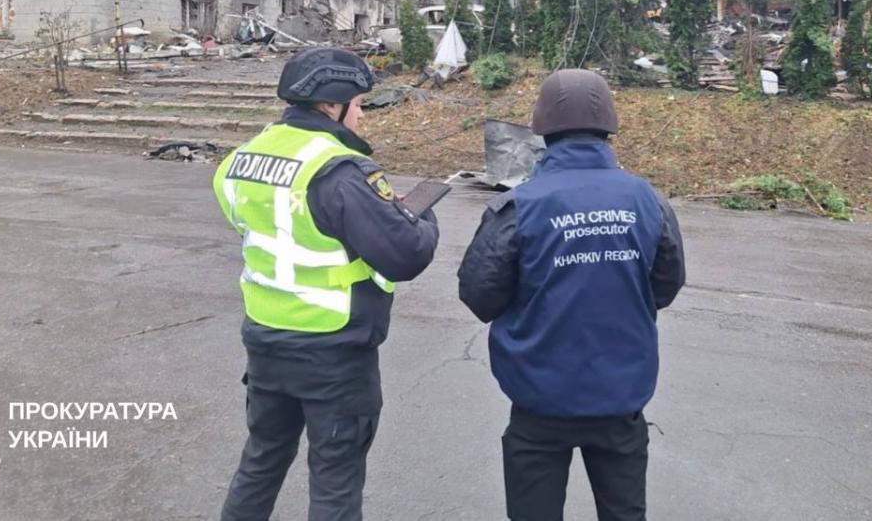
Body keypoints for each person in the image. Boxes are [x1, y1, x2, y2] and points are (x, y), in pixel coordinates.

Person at [214, 47, 439, 521]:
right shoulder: (338, 169)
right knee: (335, 480)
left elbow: (257, 225)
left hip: (265, 342)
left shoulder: (241, 159)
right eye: (357, 104)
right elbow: (406, 254)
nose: (361, 115)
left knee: (261, 461)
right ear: (330, 105)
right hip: (333, 352)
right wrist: (416, 213)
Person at [457, 68, 686, 521]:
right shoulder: (647, 200)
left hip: (538, 401)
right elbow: (666, 284)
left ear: (542, 128)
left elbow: (480, 294)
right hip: (620, 397)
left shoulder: (520, 206)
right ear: (609, 127)